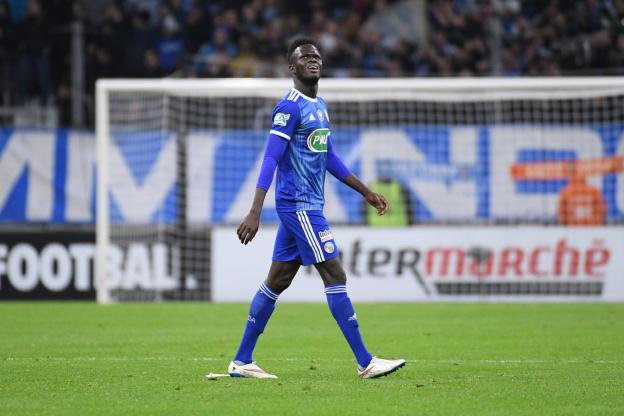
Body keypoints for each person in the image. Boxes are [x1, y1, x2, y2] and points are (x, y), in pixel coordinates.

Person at [226, 37, 406, 380]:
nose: (313, 59)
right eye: (304, 56)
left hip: (306, 205)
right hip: (300, 206)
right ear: (291, 68)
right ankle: (366, 362)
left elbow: (330, 157)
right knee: (335, 274)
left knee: (277, 280)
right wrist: (254, 211)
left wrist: (366, 192)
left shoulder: (319, 106)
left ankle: (242, 361)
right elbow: (271, 158)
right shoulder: (289, 107)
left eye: (317, 56)